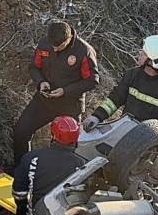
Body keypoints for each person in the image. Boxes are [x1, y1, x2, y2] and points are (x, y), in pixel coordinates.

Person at [10, 21, 99, 167]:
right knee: (20, 131)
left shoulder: (84, 51)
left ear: (69, 38)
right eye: (53, 46)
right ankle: (21, 170)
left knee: (66, 149)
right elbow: (34, 67)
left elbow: (92, 81)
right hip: (44, 101)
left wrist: (65, 91)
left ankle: (58, 181)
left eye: (59, 46)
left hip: (69, 106)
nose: (55, 49)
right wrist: (40, 82)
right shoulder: (45, 43)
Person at [82, 35, 158, 134]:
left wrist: (157, 127)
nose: (139, 54)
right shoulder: (133, 75)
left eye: (144, 53)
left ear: (154, 61)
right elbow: (115, 99)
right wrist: (97, 116)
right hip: (125, 130)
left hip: (150, 140)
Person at [11, 116, 87, 215]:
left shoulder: (32, 158)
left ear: (53, 135)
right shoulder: (81, 166)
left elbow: (19, 192)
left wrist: (21, 214)